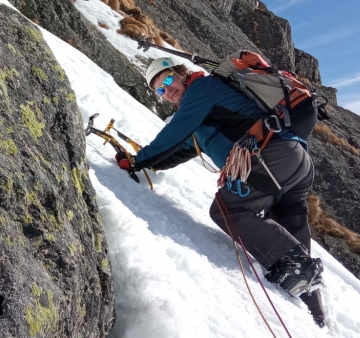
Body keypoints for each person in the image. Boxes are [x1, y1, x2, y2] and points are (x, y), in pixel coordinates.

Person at [115, 57, 326, 327]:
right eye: (159, 89)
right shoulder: (204, 114)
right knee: (289, 223)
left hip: (272, 158)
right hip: (292, 159)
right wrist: (144, 163)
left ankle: (295, 266)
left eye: (167, 80)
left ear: (180, 73)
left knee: (228, 209)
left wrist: (136, 161)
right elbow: (179, 149)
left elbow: (173, 133)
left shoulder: (201, 90)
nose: (167, 90)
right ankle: (315, 314)